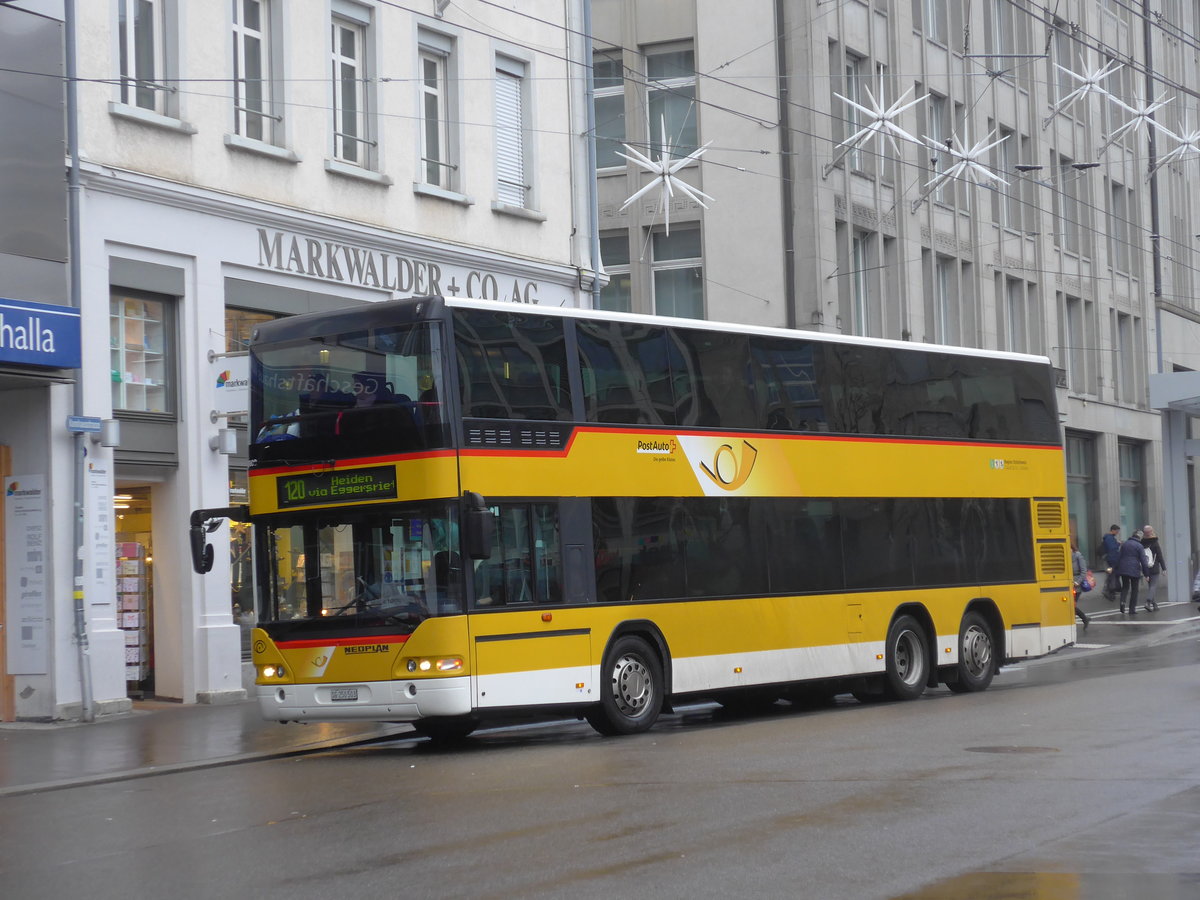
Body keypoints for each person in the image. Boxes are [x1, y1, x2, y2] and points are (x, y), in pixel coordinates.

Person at [1115, 528, 1151, 615]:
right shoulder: (1139, 546)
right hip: (1134, 569)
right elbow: (1143, 561)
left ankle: (1122, 602)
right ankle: (1132, 609)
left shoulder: (1125, 544)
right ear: (1140, 537)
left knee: (1125, 587)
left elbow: (1119, 556)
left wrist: (1117, 569)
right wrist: (1146, 574)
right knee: (1135, 589)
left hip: (1123, 569)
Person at [1141, 525, 1165, 612]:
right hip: (1154, 566)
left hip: (1145, 567)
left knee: (1150, 586)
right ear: (1151, 532)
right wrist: (1164, 568)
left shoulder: (1141, 542)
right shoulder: (1155, 541)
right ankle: (1148, 602)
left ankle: (1154, 605)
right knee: (1153, 586)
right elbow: (1159, 555)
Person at [1070, 536, 1089, 629]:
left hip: (1076, 584)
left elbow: (1083, 571)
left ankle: (1084, 619)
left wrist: (1078, 582)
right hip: (1069, 583)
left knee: (1071, 605)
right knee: (1070, 605)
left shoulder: (1078, 556)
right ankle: (1084, 618)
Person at [1100, 524, 1122, 601]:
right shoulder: (1109, 538)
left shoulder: (1109, 537)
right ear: (1113, 530)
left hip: (1110, 560)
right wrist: (1118, 544)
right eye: (1117, 531)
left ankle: (1111, 592)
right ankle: (1109, 591)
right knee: (1112, 575)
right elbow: (1112, 548)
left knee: (1112, 575)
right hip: (1112, 560)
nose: (1117, 533)